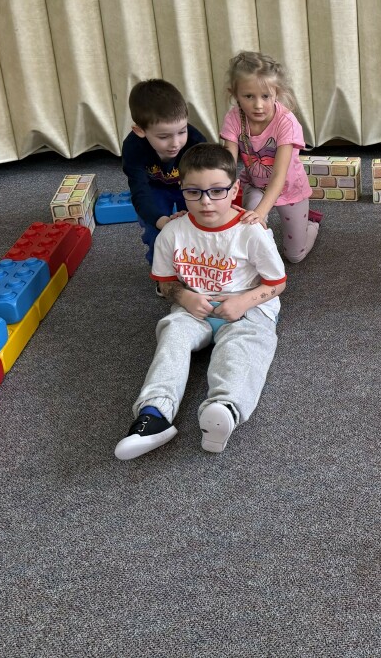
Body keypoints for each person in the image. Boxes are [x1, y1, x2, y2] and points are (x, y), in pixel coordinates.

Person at [115, 143, 286, 459]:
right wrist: (183, 295)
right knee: (173, 336)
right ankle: (154, 415)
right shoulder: (173, 232)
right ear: (182, 189)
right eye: (194, 192)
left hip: (247, 306)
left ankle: (224, 409)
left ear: (234, 190)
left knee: (243, 347)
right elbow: (166, 283)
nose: (206, 201)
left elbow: (276, 284)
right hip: (195, 304)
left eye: (217, 191)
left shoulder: (251, 232)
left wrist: (243, 302)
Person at [220, 52, 321, 263]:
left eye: (265, 96)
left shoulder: (287, 122)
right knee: (251, 227)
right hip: (256, 186)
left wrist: (260, 212)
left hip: (290, 189)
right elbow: (227, 165)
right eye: (249, 96)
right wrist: (221, 197)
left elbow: (279, 176)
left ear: (277, 92)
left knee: (295, 256)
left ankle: (312, 224)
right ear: (234, 94)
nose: (258, 105)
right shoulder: (233, 118)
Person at [122, 79, 207, 266]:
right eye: (164, 136)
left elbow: (209, 178)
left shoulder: (196, 141)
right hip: (154, 190)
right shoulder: (133, 148)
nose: (175, 143)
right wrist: (161, 221)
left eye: (182, 132)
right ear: (140, 131)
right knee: (157, 234)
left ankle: (198, 267)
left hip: (189, 186)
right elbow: (140, 191)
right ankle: (161, 271)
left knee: (201, 225)